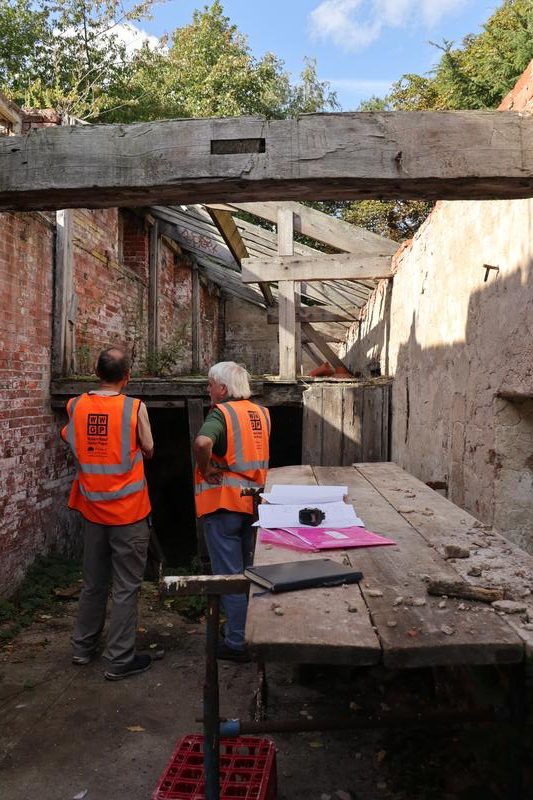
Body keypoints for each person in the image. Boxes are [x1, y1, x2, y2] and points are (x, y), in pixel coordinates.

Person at [61, 346, 154, 681]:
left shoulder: (76, 405)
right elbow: (149, 448)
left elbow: (71, 439)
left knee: (93, 583)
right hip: (128, 513)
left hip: (92, 509)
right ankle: (118, 660)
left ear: (95, 372)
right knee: (126, 587)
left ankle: (82, 649)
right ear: (126, 377)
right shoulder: (134, 408)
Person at [193, 362, 270, 663]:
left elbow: (202, 442)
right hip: (254, 504)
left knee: (229, 577)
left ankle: (237, 643)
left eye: (210, 384)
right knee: (251, 573)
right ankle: (255, 632)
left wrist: (205, 467)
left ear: (223, 389)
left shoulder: (221, 414)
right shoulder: (262, 413)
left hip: (224, 504)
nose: (208, 389)